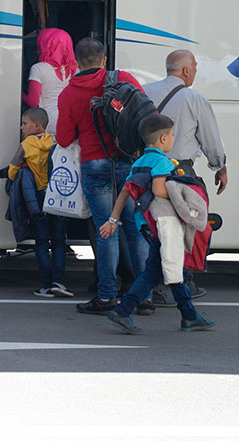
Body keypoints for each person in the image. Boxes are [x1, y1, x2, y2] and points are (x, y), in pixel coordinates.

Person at [56, 37, 150, 315]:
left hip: (94, 164)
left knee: (106, 230)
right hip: (128, 164)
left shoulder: (68, 93)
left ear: (75, 62)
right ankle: (142, 296)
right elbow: (145, 114)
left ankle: (107, 295)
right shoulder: (123, 78)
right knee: (134, 229)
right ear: (104, 60)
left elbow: (63, 139)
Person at [100, 115, 215, 334]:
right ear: (163, 139)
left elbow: (126, 192)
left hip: (145, 223)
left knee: (170, 267)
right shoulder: (162, 162)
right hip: (163, 223)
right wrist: (183, 195)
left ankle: (189, 315)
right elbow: (159, 190)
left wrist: (113, 219)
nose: (173, 139)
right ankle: (123, 311)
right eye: (172, 135)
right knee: (156, 271)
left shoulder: (138, 162)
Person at [143, 49, 227, 304]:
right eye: (195, 69)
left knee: (154, 227)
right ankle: (184, 282)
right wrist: (219, 166)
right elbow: (210, 139)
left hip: (148, 169)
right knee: (188, 226)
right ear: (186, 71)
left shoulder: (145, 92)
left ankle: (153, 285)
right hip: (181, 173)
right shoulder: (194, 98)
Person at [7, 107, 71, 298]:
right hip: (58, 197)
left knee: (42, 242)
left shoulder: (27, 144)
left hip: (37, 198)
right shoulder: (56, 141)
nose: (21, 127)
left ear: (37, 125)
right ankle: (58, 281)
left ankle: (45, 284)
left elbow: (14, 166)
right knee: (59, 241)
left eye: (24, 123)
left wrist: (12, 178)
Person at [23, 28, 75, 132]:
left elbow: (33, 102)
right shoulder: (74, 69)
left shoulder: (38, 68)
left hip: (46, 122)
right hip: (69, 122)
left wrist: (19, 94)